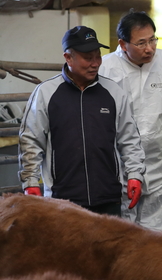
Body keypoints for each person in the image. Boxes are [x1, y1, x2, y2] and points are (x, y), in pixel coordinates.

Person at [18, 25, 146, 216]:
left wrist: (135, 175)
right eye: (88, 58)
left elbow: (129, 139)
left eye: (98, 56)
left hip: (108, 197)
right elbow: (31, 141)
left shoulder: (113, 92)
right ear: (68, 57)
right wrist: (30, 182)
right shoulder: (46, 93)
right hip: (62, 200)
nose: (95, 63)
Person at [100, 11, 162, 231]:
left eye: (152, 40)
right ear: (122, 44)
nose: (149, 48)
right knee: (123, 224)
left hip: (159, 158)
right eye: (141, 43)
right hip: (120, 162)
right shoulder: (106, 68)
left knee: (156, 224)